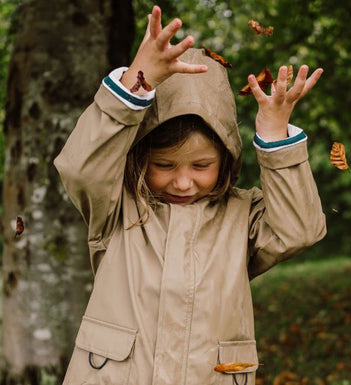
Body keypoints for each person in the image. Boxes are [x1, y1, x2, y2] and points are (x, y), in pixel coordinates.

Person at [54, 5, 326, 385]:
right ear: (139, 157)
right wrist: (136, 83)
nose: (183, 183)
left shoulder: (243, 215)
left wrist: (276, 137)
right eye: (165, 165)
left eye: (201, 166)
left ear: (227, 158)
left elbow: (300, 228)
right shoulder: (116, 207)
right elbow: (81, 167)